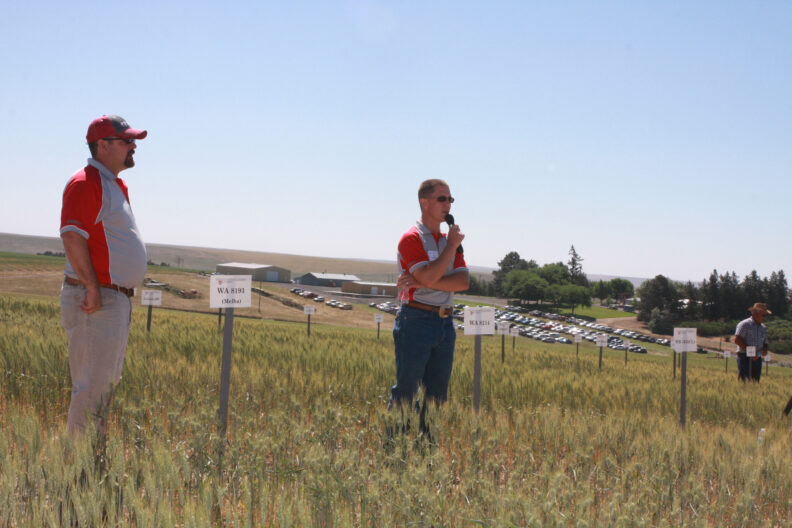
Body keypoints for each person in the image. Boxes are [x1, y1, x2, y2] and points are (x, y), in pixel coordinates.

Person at [60, 115, 148, 436]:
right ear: (102, 146)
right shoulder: (86, 183)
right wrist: (92, 288)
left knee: (102, 388)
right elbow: (72, 236)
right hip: (98, 301)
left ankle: (90, 463)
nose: (133, 146)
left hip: (112, 300)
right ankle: (76, 471)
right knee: (91, 390)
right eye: (126, 141)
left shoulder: (112, 184)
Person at [389, 179, 469, 412]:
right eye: (442, 199)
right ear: (424, 203)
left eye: (450, 199)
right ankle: (396, 445)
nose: (448, 205)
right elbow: (432, 277)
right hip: (416, 320)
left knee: (437, 397)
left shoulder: (449, 241)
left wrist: (425, 280)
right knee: (405, 392)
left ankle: (428, 447)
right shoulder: (412, 238)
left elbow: (463, 282)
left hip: (446, 323)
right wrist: (449, 251)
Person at [734, 302, 771, 382]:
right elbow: (737, 340)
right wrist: (750, 352)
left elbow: (765, 343)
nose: (764, 318)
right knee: (744, 381)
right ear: (756, 314)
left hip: (757, 358)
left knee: (755, 382)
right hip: (744, 357)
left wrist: (763, 351)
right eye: (763, 315)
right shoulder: (744, 324)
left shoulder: (763, 328)